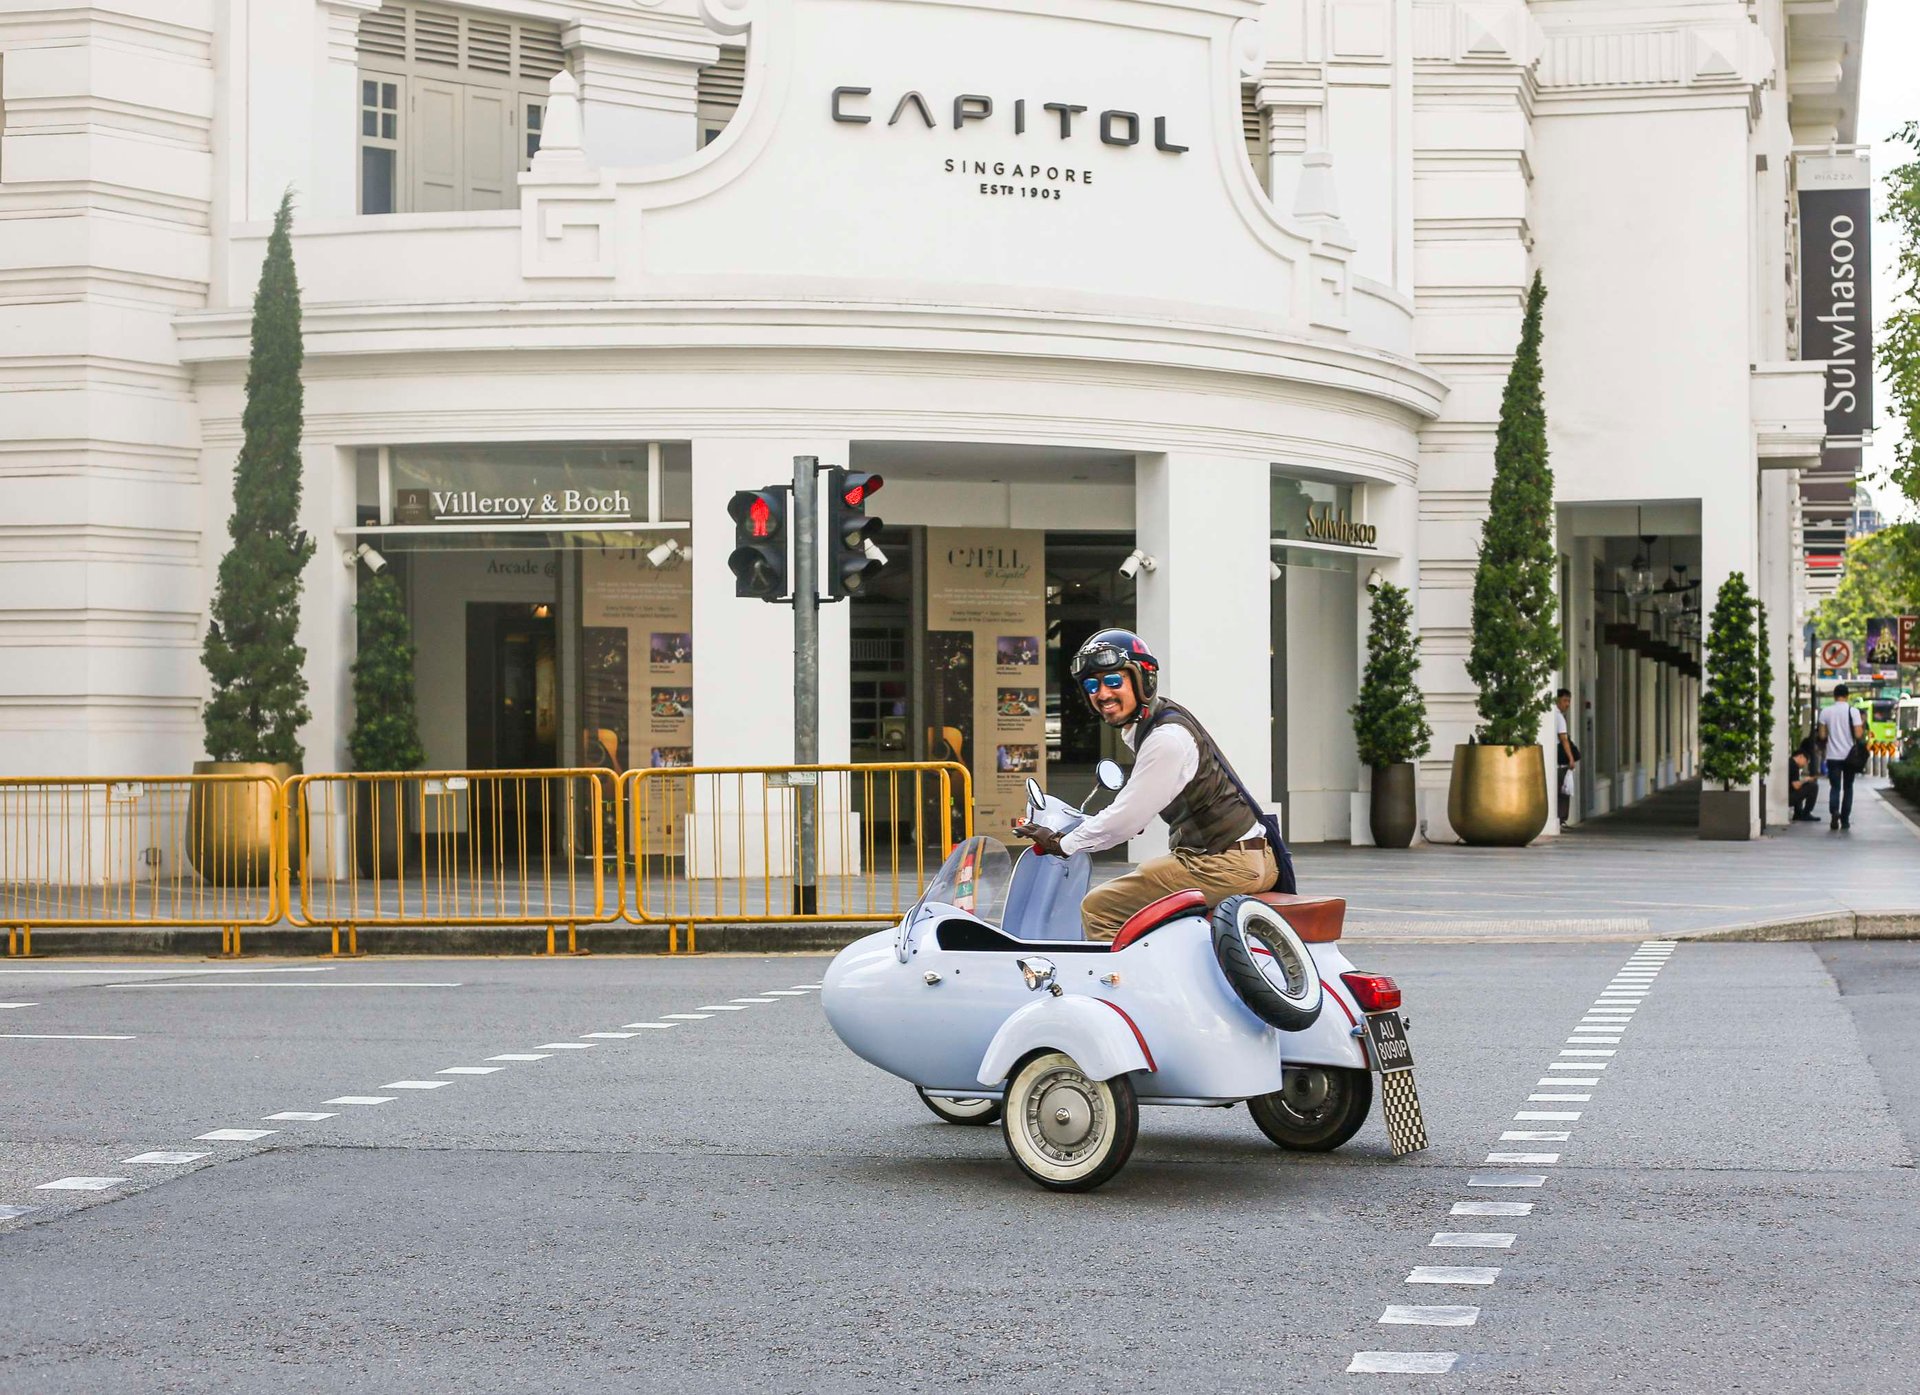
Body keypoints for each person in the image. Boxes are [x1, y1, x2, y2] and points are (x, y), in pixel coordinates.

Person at [1014, 629, 1284, 941]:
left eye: (1113, 681)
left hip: (1222, 865)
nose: (1102, 694)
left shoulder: (1165, 738)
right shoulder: (1155, 721)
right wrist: (1120, 821)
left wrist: (1062, 843)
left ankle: (1120, 975)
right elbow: (1145, 800)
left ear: (1144, 679)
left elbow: (1125, 819)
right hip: (1248, 856)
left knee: (1101, 907)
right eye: (1092, 685)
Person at [1818, 684, 1866, 830]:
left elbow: (1822, 735)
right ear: (1847, 695)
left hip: (1833, 756)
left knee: (1835, 787)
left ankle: (1834, 812)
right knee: (1848, 787)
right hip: (1850, 756)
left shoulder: (1825, 712)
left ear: (1834, 696)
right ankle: (1845, 820)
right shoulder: (1853, 711)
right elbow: (1858, 734)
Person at [1553, 688, 1579, 824]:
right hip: (1560, 762)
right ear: (1557, 700)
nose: (1567, 704)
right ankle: (1561, 819)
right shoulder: (1559, 717)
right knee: (1563, 792)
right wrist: (1571, 758)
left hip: (1555, 761)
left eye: (1569, 701)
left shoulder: (1552, 715)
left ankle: (1560, 819)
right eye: (1565, 701)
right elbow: (1564, 739)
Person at [1787, 738, 1820, 822]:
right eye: (1806, 761)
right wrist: (1805, 780)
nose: (1805, 764)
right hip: (1787, 797)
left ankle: (1798, 813)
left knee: (1804, 786)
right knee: (1813, 787)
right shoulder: (1794, 766)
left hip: (1785, 793)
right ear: (1800, 756)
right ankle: (1806, 813)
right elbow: (1796, 785)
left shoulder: (1790, 762)